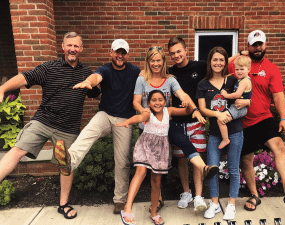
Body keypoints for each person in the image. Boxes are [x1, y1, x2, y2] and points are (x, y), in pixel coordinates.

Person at [0, 32, 100, 219]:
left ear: (81, 49)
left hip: (68, 128)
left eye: (76, 46)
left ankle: (63, 204)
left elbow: (96, 93)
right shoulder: (49, 67)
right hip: (43, 121)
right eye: (69, 45)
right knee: (17, 150)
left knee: (66, 165)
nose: (72, 49)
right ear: (63, 47)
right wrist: (3, 88)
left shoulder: (87, 73)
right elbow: (25, 77)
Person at [56, 39, 141, 214]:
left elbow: (148, 79)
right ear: (111, 52)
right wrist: (89, 82)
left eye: (123, 53)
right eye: (117, 52)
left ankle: (120, 200)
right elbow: (97, 77)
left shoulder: (134, 71)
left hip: (124, 120)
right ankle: (69, 160)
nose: (120, 56)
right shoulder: (106, 69)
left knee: (122, 161)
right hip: (106, 115)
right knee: (89, 131)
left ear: (127, 55)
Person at [134, 45, 219, 214]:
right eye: (153, 60)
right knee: (152, 166)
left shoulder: (171, 79)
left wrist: (193, 108)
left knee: (182, 141)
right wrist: (143, 111)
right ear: (148, 61)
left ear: (163, 61)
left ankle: (204, 168)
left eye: (159, 60)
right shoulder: (141, 80)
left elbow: (183, 95)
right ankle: (156, 201)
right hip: (148, 129)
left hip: (165, 124)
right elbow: (136, 101)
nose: (156, 64)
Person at [167, 37, 247, 211]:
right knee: (181, 159)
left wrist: (240, 54)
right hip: (181, 120)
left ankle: (198, 196)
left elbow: (223, 61)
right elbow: (155, 71)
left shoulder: (201, 66)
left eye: (179, 51)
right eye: (172, 53)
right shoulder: (171, 71)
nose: (176, 55)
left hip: (199, 121)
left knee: (198, 158)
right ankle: (189, 193)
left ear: (186, 50)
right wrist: (142, 73)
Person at [228, 30, 285, 211]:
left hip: (264, 117)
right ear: (248, 46)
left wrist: (283, 118)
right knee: (246, 160)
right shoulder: (239, 65)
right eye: (254, 44)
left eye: (260, 44)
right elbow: (217, 65)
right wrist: (238, 54)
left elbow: (278, 94)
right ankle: (254, 195)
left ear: (265, 45)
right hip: (242, 122)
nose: (258, 48)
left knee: (279, 146)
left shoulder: (271, 68)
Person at [119, 90, 195, 225]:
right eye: (154, 100)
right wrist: (128, 122)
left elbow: (187, 112)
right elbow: (139, 118)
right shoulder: (147, 113)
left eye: (160, 99)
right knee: (140, 172)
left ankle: (154, 212)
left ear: (165, 101)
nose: (157, 102)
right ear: (148, 103)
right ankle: (127, 208)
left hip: (161, 151)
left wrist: (188, 104)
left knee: (156, 182)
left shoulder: (169, 111)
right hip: (145, 146)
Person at [197, 46, 244, 221]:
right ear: (210, 62)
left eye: (221, 60)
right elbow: (202, 108)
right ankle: (215, 204)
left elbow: (244, 95)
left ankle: (231, 205)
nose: (218, 63)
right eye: (215, 59)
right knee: (211, 169)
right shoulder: (203, 84)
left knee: (233, 169)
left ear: (226, 62)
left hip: (235, 132)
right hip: (216, 134)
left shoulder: (233, 80)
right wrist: (217, 114)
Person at [219, 56, 252, 149]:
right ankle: (225, 139)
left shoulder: (244, 81)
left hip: (240, 108)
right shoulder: (241, 79)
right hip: (237, 107)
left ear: (249, 69)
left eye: (242, 69)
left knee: (220, 120)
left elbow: (237, 95)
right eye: (237, 69)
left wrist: (225, 95)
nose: (239, 71)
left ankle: (225, 139)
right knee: (221, 119)